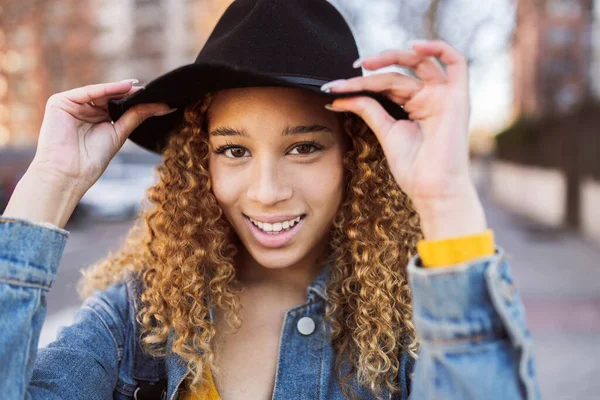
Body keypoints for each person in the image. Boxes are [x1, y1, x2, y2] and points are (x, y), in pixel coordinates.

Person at [0, 0, 540, 399]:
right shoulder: (142, 319)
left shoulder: (421, 323)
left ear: (354, 157)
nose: (266, 191)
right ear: (199, 160)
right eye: (234, 150)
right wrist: (51, 182)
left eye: (303, 147)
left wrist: (445, 201)